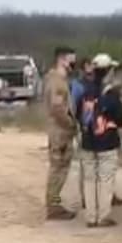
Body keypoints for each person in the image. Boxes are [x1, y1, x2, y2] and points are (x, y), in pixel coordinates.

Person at [75, 54, 122, 228]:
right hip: (107, 142)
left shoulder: (85, 91)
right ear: (108, 71)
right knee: (105, 179)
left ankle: (90, 217)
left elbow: (77, 114)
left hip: (88, 141)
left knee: (89, 180)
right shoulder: (111, 93)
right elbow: (121, 119)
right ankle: (103, 215)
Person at [43, 46, 78, 220]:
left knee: (60, 167)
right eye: (71, 60)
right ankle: (53, 205)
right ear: (62, 59)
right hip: (60, 131)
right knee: (58, 168)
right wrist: (71, 124)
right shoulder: (56, 81)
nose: (73, 63)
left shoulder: (60, 79)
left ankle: (54, 203)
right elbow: (57, 108)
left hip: (61, 130)